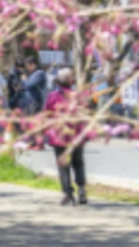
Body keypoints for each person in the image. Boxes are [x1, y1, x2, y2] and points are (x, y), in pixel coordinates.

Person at [44, 67, 88, 206]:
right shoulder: (78, 95)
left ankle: (68, 193)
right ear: (71, 81)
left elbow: (48, 114)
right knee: (78, 163)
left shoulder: (52, 96)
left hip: (60, 136)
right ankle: (81, 189)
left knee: (63, 165)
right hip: (76, 135)